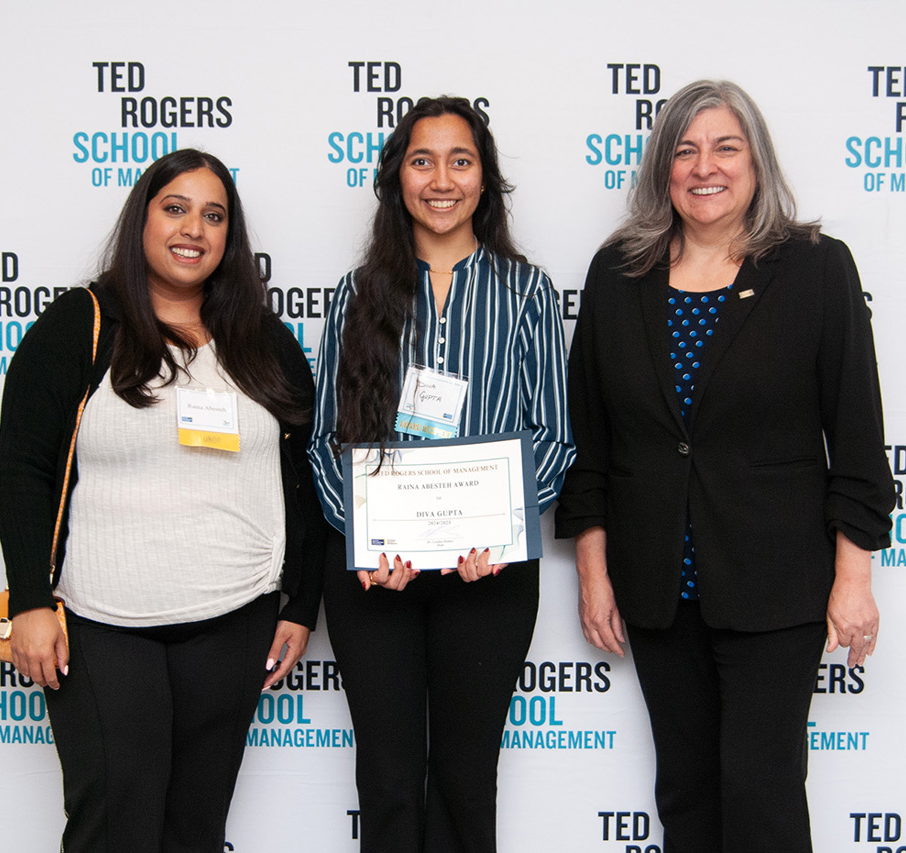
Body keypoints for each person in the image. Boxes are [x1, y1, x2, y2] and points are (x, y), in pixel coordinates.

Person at [555, 80, 895, 853]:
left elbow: (858, 434)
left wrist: (854, 578)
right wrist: (593, 570)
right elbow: (592, 439)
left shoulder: (815, 267)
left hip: (777, 585)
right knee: (685, 790)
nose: (704, 166)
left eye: (725, 147)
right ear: (662, 169)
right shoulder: (618, 273)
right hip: (655, 584)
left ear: (756, 162)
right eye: (684, 150)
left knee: (762, 792)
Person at [0, 148, 326, 852]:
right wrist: (29, 600)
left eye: (214, 216)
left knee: (195, 831)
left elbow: (306, 474)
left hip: (236, 620)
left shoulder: (263, 341)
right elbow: (23, 464)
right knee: (113, 826)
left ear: (230, 238)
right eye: (175, 208)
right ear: (141, 219)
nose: (194, 230)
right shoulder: (79, 323)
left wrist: (300, 604)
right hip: (101, 622)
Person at [308, 95, 574, 852]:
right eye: (422, 161)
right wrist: (366, 541)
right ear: (398, 179)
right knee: (388, 781)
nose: (441, 179)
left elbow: (552, 434)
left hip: (487, 573)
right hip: (373, 579)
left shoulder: (526, 293)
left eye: (461, 161)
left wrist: (503, 528)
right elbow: (328, 440)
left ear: (485, 180)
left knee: (465, 778)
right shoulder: (357, 292)